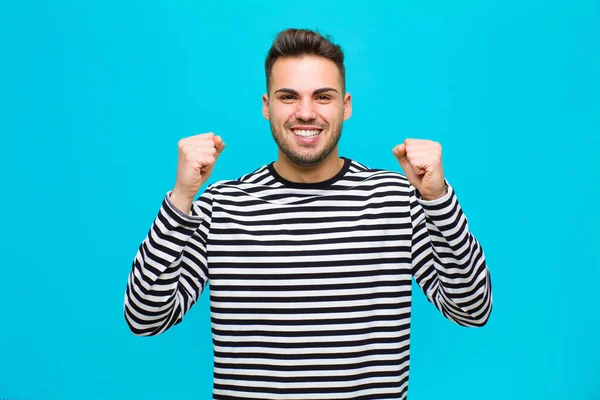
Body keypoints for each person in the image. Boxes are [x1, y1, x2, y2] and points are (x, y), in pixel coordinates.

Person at [124, 28, 492, 400]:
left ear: (345, 106)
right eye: (288, 97)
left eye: (322, 96)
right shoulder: (222, 206)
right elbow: (144, 317)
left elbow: (472, 308)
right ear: (266, 105)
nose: (305, 112)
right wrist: (182, 198)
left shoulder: (396, 200)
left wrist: (438, 200)